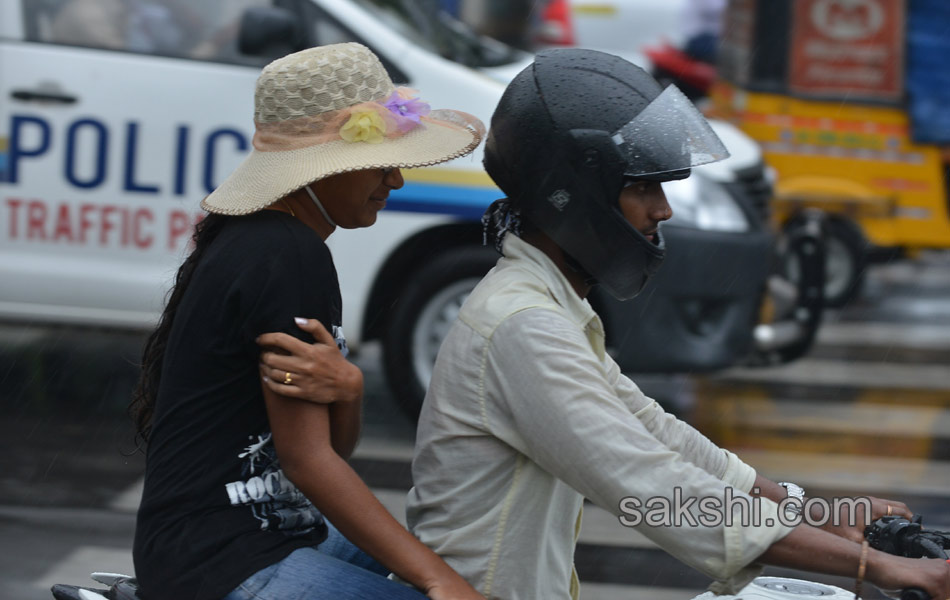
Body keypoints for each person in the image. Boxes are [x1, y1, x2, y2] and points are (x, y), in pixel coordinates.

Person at [396, 49, 949, 600]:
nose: (663, 211)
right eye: (643, 188)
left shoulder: (547, 302)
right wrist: (878, 568)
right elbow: (655, 489)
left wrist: (821, 512)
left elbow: (660, 434)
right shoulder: (522, 325)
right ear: (574, 194)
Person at [130, 43, 486, 600]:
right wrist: (439, 582)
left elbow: (326, 449)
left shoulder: (271, 240)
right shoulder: (288, 253)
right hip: (224, 561)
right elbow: (310, 462)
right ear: (319, 168)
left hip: (233, 541)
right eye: (380, 162)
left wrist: (350, 389)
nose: (395, 180)